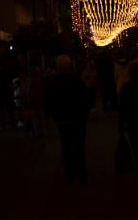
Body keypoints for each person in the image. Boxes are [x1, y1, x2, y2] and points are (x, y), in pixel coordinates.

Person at [44, 55, 89, 184]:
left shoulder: (53, 82)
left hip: (62, 120)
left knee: (66, 148)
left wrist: (50, 116)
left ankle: (69, 175)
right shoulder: (77, 80)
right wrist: (84, 114)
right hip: (77, 119)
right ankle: (82, 174)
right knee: (79, 147)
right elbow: (84, 99)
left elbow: (50, 100)